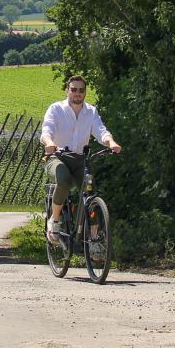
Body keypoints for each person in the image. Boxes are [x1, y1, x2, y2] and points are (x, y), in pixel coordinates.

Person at [40, 75, 121, 242]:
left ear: (85, 92)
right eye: (74, 89)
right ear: (67, 90)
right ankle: (54, 220)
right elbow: (46, 131)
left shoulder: (90, 111)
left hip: (79, 160)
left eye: (81, 90)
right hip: (57, 156)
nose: (77, 93)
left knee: (91, 193)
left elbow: (101, 131)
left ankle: (94, 241)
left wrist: (111, 142)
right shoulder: (56, 109)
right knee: (63, 180)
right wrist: (49, 143)